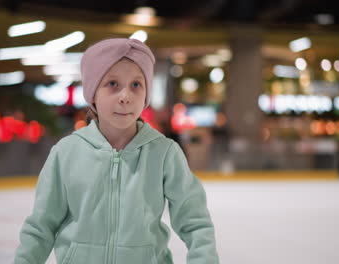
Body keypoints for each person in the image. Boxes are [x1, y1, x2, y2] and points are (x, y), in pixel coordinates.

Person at [14, 38, 219, 264]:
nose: (125, 96)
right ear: (93, 93)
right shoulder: (66, 153)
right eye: (112, 84)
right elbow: (41, 227)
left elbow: (196, 223)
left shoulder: (164, 153)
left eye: (136, 85)